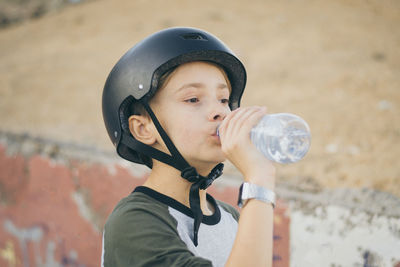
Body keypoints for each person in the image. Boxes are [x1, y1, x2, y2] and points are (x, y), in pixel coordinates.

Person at [101, 27, 276, 267]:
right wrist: (259, 180)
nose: (220, 112)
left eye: (223, 99)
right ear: (143, 129)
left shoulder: (234, 219)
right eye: (193, 99)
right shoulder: (134, 222)